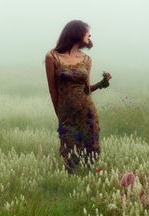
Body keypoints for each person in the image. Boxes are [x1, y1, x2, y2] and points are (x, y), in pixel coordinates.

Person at [45, 20, 112, 174]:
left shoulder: (87, 60)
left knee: (91, 151)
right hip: (67, 113)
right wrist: (60, 115)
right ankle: (71, 184)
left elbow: (86, 89)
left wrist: (102, 83)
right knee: (70, 152)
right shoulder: (52, 56)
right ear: (76, 32)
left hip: (87, 112)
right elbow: (53, 90)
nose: (90, 35)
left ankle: (87, 181)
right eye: (86, 31)